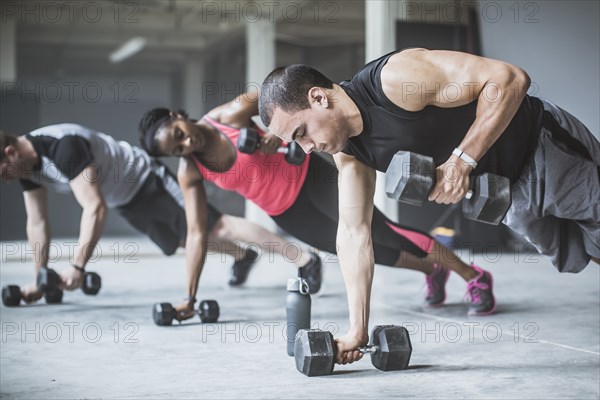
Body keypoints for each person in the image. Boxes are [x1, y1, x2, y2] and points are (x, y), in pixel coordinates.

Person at [258, 48, 600, 365]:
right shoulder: (350, 155)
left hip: (541, 145)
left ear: (318, 97)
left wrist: (461, 161)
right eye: (295, 143)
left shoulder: (395, 80)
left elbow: (509, 79)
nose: (304, 149)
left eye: (301, 132)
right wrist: (356, 330)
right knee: (575, 252)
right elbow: (352, 234)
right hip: (503, 192)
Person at [138, 92, 495, 322]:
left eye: (179, 133)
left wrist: (272, 134)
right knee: (366, 253)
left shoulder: (227, 116)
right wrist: (189, 296)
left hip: (311, 178)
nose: (187, 143)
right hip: (287, 212)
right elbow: (198, 233)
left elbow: (273, 93)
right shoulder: (191, 172)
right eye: (178, 149)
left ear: (177, 115)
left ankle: (473, 276)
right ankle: (432, 270)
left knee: (381, 231)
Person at [0, 124, 298, 313]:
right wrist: (40, 278)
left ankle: (301, 259)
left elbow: (94, 209)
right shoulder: (26, 168)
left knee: (215, 225)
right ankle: (243, 256)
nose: (4, 180)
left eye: (1, 173)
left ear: (10, 153)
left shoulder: (62, 148)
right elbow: (36, 223)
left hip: (146, 179)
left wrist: (78, 267)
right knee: (181, 240)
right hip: (126, 200)